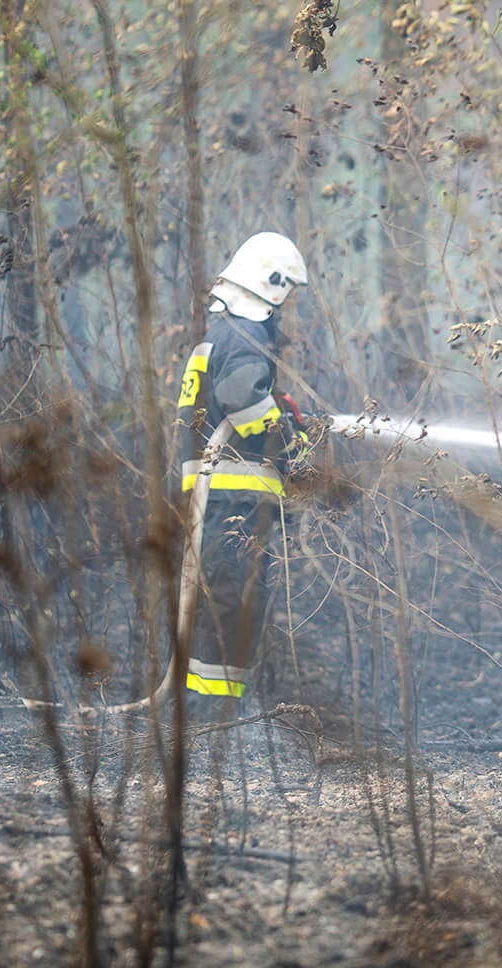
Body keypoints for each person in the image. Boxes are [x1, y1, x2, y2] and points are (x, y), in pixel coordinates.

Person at [172, 231, 309, 711]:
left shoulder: (222, 333)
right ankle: (217, 710)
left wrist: (282, 413)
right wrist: (287, 437)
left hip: (214, 493)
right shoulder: (247, 333)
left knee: (220, 596)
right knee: (234, 600)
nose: (289, 305)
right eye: (288, 292)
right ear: (273, 286)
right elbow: (242, 400)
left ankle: (207, 703)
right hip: (232, 493)